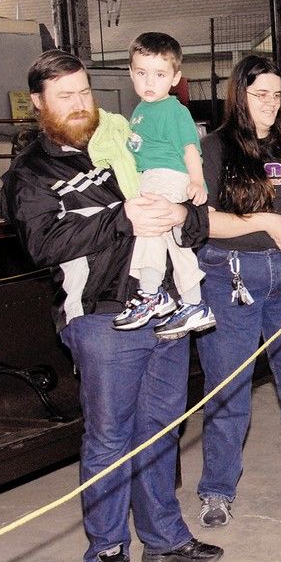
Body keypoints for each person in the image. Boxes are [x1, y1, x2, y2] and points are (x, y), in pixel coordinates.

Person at [2, 50, 223, 562]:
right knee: (109, 437)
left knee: (162, 429)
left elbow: (191, 213)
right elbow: (42, 244)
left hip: (165, 308)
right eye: (65, 96)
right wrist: (120, 216)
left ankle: (164, 537)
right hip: (101, 318)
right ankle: (107, 550)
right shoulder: (31, 174)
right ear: (38, 104)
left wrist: (183, 215)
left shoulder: (128, 139)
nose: (80, 104)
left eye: (84, 92)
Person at [194, 55, 281, 528]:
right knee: (228, 390)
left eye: (277, 95)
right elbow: (202, 221)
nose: (271, 104)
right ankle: (217, 490)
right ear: (239, 95)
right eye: (260, 95)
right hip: (231, 277)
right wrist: (266, 221)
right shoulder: (214, 148)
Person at [111, 32, 215, 338]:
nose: (149, 82)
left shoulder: (174, 110)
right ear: (131, 73)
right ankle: (194, 303)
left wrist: (197, 181)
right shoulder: (141, 111)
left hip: (167, 176)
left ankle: (150, 292)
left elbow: (190, 149)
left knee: (149, 228)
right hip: (151, 176)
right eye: (142, 73)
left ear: (175, 78)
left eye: (159, 75)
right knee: (176, 245)